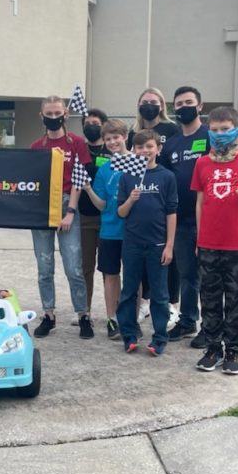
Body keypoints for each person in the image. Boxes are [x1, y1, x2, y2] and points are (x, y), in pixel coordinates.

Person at [192, 106, 238, 375]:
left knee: (234, 297)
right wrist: (199, 238)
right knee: (209, 297)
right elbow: (200, 201)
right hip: (208, 241)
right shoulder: (202, 163)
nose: (220, 134)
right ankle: (212, 347)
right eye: (215, 129)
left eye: (225, 129)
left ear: (236, 129)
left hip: (237, 242)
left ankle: (233, 349)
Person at [30, 96, 93, 339]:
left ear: (66, 114)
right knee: (44, 267)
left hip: (68, 204)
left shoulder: (76, 143)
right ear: (41, 115)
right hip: (42, 209)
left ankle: (83, 315)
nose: (53, 117)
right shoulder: (36, 146)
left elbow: (79, 178)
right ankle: (49, 314)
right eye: (49, 113)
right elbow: (32, 181)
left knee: (73, 266)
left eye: (58, 112)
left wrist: (71, 211)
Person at [115, 129, 177, 355]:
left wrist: (170, 245)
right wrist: (130, 200)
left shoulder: (167, 177)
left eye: (149, 146)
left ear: (158, 149)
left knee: (160, 295)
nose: (145, 151)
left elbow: (171, 213)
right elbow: (121, 213)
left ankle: (159, 338)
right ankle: (129, 335)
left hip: (158, 245)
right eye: (140, 147)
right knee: (129, 291)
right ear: (134, 150)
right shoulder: (127, 176)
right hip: (132, 244)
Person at [127, 87, 181, 327]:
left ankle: (172, 305)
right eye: (144, 101)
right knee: (146, 256)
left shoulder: (172, 130)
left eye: (153, 101)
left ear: (162, 105)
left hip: (165, 196)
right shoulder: (133, 132)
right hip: (140, 201)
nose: (148, 105)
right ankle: (146, 301)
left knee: (168, 257)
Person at [163, 86, 210, 346]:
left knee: (209, 275)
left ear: (200, 106)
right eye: (178, 104)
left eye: (188, 102)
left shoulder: (212, 136)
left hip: (208, 219)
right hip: (181, 220)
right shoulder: (171, 144)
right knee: (187, 274)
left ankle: (211, 326)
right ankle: (188, 320)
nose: (183, 107)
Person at [81, 118, 129, 339]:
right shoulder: (104, 169)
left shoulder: (138, 162)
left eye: (116, 137)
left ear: (125, 137)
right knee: (111, 275)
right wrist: (89, 189)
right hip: (109, 229)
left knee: (133, 276)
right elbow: (101, 204)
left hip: (133, 231)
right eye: (108, 139)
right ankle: (112, 319)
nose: (112, 142)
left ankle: (131, 318)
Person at [79, 108, 110, 318]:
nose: (91, 126)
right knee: (85, 266)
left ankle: (112, 312)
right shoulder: (80, 151)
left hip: (109, 218)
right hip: (85, 216)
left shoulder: (112, 151)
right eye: (88, 123)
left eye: (96, 123)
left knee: (109, 268)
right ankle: (84, 309)